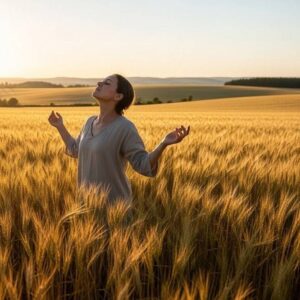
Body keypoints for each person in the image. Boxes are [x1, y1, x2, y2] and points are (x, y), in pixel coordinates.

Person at [48, 74, 190, 204]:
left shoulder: (125, 128)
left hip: (114, 207)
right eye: (101, 81)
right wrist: (60, 126)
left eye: (107, 83)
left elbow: (142, 164)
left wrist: (163, 143)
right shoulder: (89, 122)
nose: (99, 83)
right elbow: (75, 151)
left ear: (118, 96)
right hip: (86, 205)